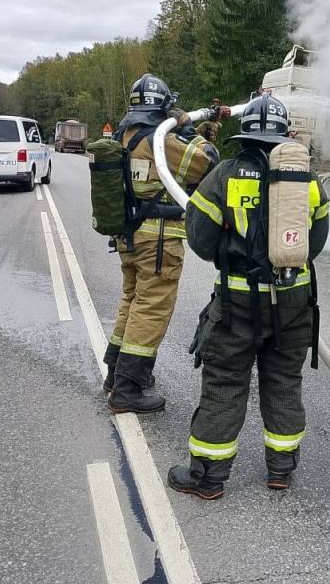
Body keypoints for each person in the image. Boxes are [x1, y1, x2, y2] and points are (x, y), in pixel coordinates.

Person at [168, 93, 330, 500]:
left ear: (245, 135)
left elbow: (201, 241)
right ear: (283, 134)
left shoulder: (223, 175)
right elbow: (317, 243)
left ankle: (208, 478)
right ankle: (281, 470)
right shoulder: (306, 181)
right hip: (294, 303)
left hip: (239, 303)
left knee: (225, 383)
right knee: (284, 383)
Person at [103, 74, 220, 414]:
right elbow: (206, 164)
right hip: (158, 241)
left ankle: (116, 375)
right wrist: (190, 131)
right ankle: (129, 389)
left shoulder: (126, 134)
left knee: (132, 302)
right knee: (151, 309)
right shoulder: (160, 138)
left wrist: (186, 131)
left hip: (129, 235)